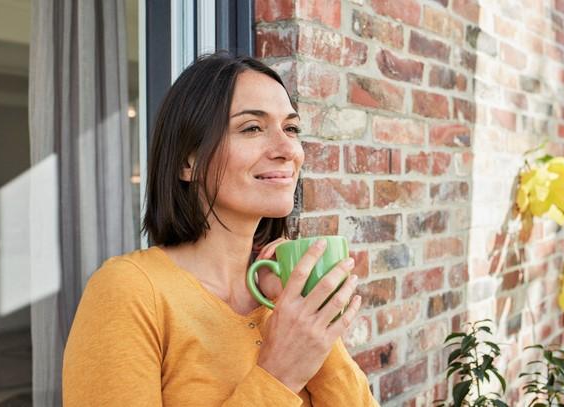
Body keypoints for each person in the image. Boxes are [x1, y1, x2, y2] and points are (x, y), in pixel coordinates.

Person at [62, 52, 379, 406]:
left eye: (291, 128)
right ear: (188, 162)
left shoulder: (279, 295)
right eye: (252, 128)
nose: (288, 148)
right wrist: (279, 375)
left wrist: (315, 326)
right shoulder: (130, 291)